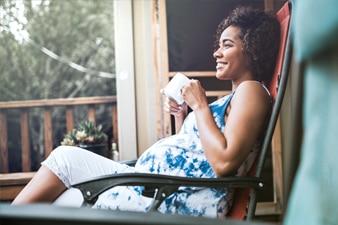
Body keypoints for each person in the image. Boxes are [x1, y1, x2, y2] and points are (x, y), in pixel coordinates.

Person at [12, 6, 280, 218]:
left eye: (227, 45)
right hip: (157, 188)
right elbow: (195, 154)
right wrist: (183, 115)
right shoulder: (236, 96)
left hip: (173, 200)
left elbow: (223, 163)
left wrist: (200, 105)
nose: (216, 53)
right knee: (62, 193)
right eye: (219, 45)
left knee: (64, 165)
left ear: (252, 49)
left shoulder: (252, 92)